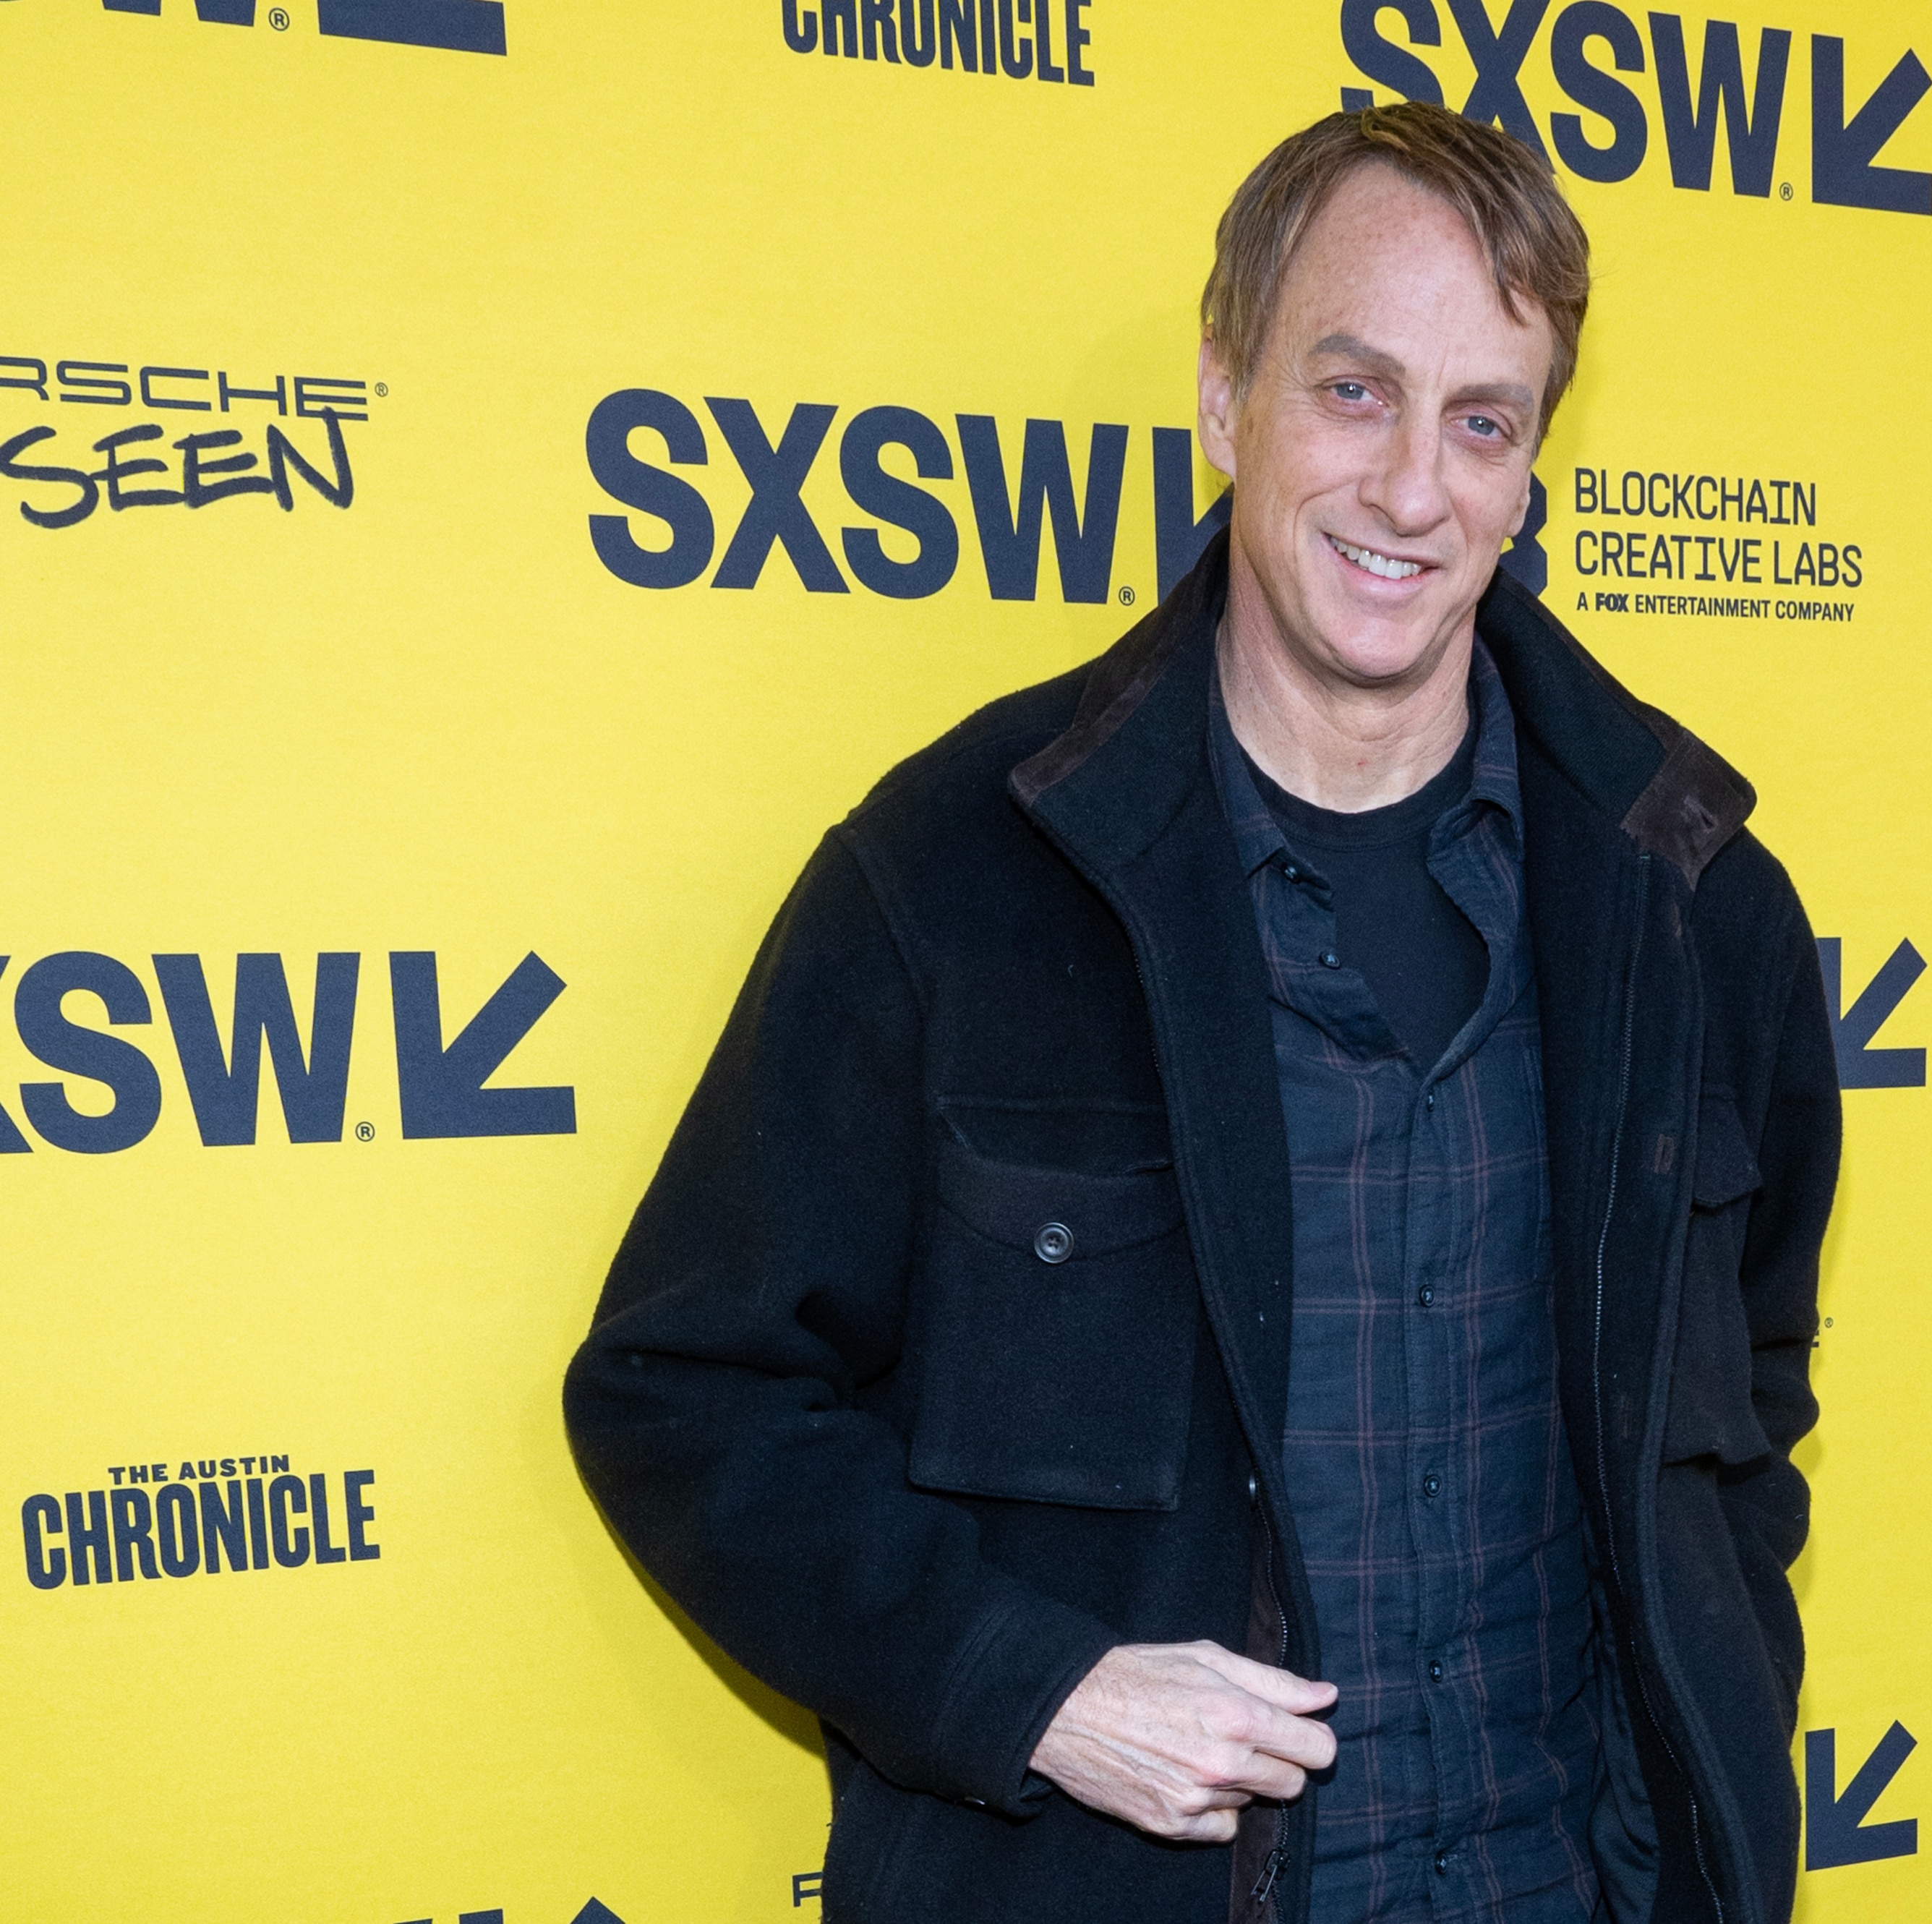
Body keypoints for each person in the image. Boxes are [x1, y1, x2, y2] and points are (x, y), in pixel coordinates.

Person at [563, 101, 1838, 1924]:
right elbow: (683, 1387)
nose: (1413, 487)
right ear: (1223, 393)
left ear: (1532, 462)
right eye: (1351, 390)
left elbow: (1747, 1401)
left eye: (1482, 420)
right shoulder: (955, 878)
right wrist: (1030, 1686)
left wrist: (1718, 1695)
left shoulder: (1693, 901)